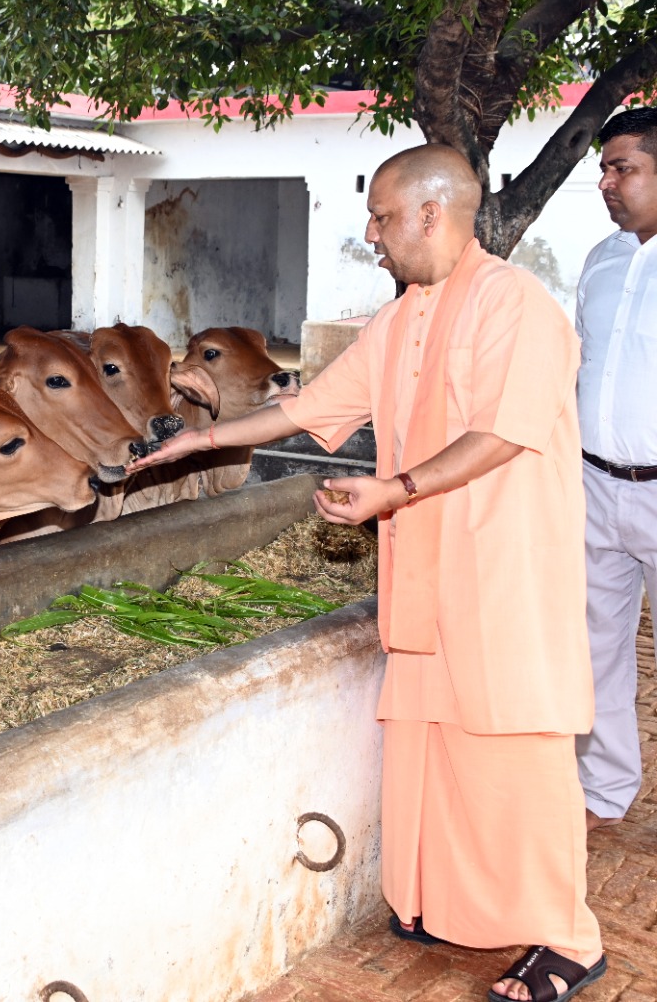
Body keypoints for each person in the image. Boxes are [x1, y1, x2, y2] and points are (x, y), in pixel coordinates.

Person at [131, 144, 603, 1002]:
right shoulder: (402, 317)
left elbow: (503, 430)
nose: (372, 235)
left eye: (383, 218)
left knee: (515, 752)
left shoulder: (518, 306)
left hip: (503, 566)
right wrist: (194, 440)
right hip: (425, 560)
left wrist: (395, 487)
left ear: (433, 213)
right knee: (429, 738)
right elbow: (309, 406)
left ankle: (568, 939)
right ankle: (440, 902)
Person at [576, 106, 657, 835]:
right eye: (604, 168)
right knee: (595, 643)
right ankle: (603, 791)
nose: (605, 181)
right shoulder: (600, 261)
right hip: (595, 484)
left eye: (622, 168)